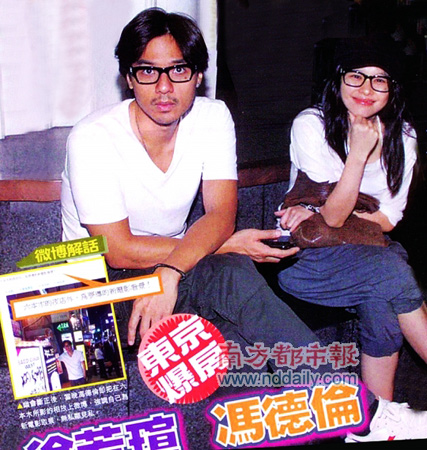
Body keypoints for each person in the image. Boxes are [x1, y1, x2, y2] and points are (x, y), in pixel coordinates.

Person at [60, 9, 427, 441]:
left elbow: (219, 215)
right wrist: (205, 253)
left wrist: (177, 268)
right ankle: (359, 415)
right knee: (233, 276)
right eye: (147, 71)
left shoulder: (212, 117)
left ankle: (341, 416)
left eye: (178, 70)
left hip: (178, 267)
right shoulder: (94, 138)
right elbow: (118, 249)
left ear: (198, 75)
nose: (164, 87)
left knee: (242, 315)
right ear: (128, 77)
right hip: (99, 291)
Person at [275, 34, 427, 403]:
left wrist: (325, 212)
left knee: (382, 299)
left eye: (379, 79)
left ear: (392, 88)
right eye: (356, 76)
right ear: (339, 79)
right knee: (393, 270)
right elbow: (334, 216)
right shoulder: (311, 125)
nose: (366, 89)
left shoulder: (403, 137)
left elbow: (388, 219)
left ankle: (380, 415)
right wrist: (357, 155)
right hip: (306, 261)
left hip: (367, 256)